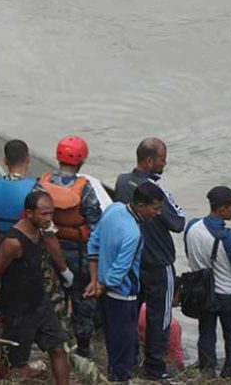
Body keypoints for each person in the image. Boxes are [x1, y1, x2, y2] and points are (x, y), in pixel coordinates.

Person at [114, 137, 185, 379]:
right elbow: (178, 222)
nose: (165, 164)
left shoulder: (122, 181)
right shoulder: (158, 191)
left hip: (133, 260)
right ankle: (155, 368)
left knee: (130, 313)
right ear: (150, 160)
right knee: (160, 317)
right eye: (162, 160)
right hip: (159, 262)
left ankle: (129, 358)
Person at [0, 190, 70, 384]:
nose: (49, 218)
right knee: (10, 358)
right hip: (18, 311)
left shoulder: (40, 232)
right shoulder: (13, 243)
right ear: (29, 213)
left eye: (51, 213)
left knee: (57, 348)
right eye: (44, 214)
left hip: (40, 303)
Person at [84, 181, 165, 382]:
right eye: (155, 208)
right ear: (140, 207)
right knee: (124, 346)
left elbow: (94, 242)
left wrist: (94, 281)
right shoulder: (133, 233)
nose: (158, 213)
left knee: (113, 343)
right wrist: (102, 284)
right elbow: (120, 271)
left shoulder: (114, 208)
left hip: (104, 294)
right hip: (122, 296)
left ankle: (114, 375)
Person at [39, 135, 102, 358]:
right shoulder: (84, 188)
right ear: (81, 161)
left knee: (50, 298)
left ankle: (53, 344)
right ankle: (83, 347)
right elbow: (96, 226)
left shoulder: (42, 181)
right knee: (84, 300)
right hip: (78, 253)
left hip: (48, 250)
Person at [0, 139, 73, 287]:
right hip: (32, 258)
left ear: (5, 160)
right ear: (28, 159)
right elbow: (49, 237)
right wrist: (64, 270)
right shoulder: (36, 191)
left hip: (5, 253)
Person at [185, 185, 231, 383]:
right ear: (222, 210)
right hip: (229, 294)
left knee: (206, 333)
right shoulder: (228, 238)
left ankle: (207, 370)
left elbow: (189, 254)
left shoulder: (192, 227)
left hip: (202, 291)